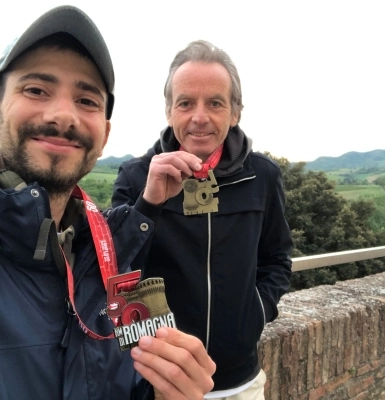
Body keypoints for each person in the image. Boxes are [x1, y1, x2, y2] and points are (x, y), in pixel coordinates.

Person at [0, 7, 215, 400]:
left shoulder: (101, 256)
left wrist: (166, 394)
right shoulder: (134, 177)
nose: (63, 114)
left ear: (104, 135)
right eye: (35, 89)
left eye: (86, 100)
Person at [112, 40, 293, 399]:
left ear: (235, 112)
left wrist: (257, 312)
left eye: (215, 103)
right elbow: (116, 278)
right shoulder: (135, 177)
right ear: (169, 111)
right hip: (161, 386)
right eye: (185, 103)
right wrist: (148, 205)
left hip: (241, 382)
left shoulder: (263, 176)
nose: (199, 117)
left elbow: (277, 258)